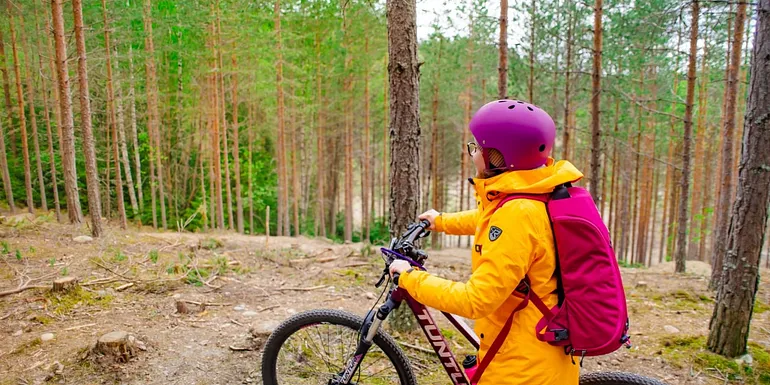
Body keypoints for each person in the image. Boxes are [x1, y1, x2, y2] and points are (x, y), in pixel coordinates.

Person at [389, 99, 582, 385]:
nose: (473, 153)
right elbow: (489, 220)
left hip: (522, 369)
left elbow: (475, 301)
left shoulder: (517, 214)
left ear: (499, 157)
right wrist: (440, 220)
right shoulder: (535, 191)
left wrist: (410, 278)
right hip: (541, 346)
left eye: (477, 147)